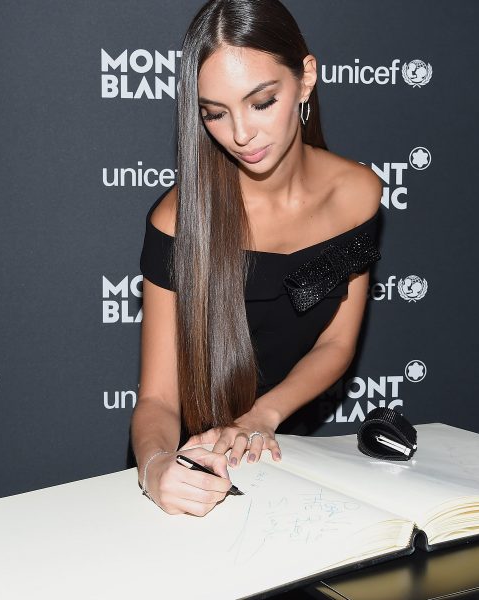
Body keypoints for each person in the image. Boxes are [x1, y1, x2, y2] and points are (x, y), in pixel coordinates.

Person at [132, 0, 382, 516]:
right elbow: (158, 399)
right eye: (215, 113)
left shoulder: (356, 195)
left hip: (287, 452)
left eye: (262, 102)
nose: (241, 134)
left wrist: (261, 416)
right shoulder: (178, 222)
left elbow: (336, 342)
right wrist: (156, 469)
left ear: (305, 79)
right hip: (199, 464)